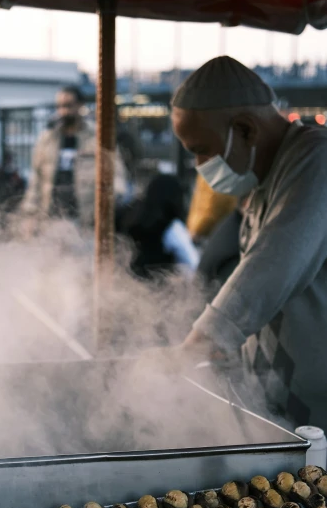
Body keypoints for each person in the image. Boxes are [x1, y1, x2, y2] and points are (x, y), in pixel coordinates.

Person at [145, 55, 327, 430]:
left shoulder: (317, 158)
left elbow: (273, 264)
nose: (198, 165)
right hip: (279, 410)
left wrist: (195, 345)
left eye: (202, 150)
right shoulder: (263, 178)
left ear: (245, 130)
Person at [19, 85, 127, 231]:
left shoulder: (97, 136)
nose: (63, 111)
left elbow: (116, 170)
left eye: (68, 105)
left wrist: (113, 197)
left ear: (80, 105)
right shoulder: (48, 138)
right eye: (60, 106)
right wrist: (29, 212)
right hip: (52, 215)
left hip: (86, 217)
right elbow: (36, 179)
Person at [117, 172, 199, 278]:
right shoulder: (171, 226)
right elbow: (192, 262)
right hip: (158, 289)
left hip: (124, 284)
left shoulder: (128, 215)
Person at [0, 148, 26, 223]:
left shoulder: (12, 173)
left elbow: (20, 188)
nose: (10, 161)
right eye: (8, 159)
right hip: (0, 202)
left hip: (10, 203)